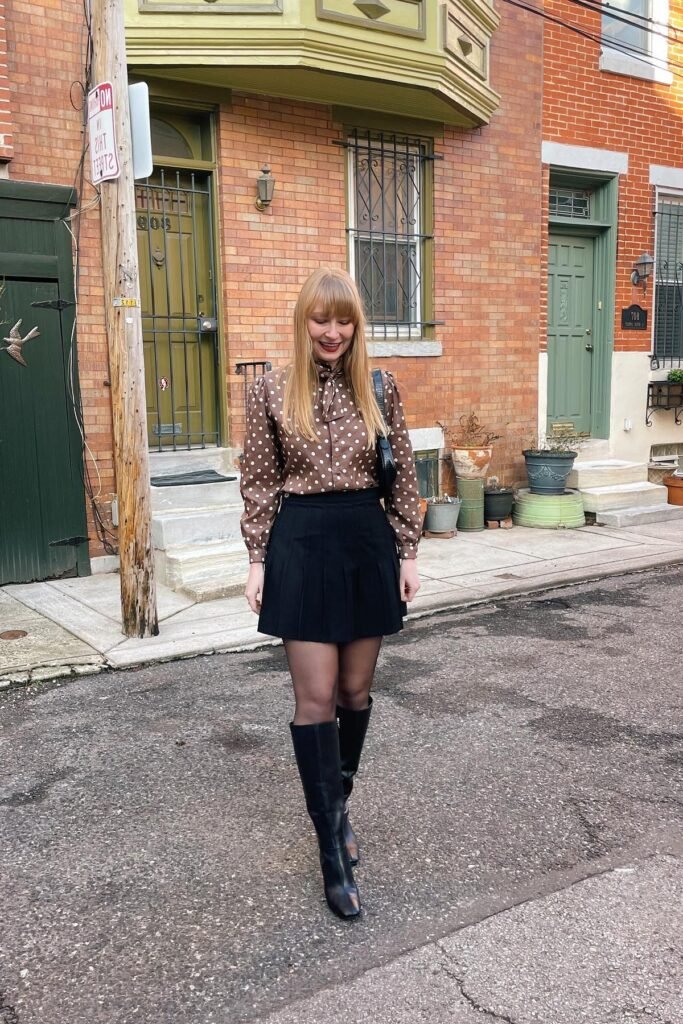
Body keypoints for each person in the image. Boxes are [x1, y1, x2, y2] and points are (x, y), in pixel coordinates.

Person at [240, 267, 421, 920]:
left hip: (366, 542)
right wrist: (257, 559)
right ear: (304, 322)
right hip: (302, 543)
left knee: (354, 693)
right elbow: (259, 479)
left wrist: (407, 550)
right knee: (314, 698)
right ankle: (330, 852)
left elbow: (402, 473)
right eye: (322, 319)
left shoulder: (381, 387)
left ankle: (338, 807)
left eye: (344, 320)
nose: (333, 331)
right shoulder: (269, 390)